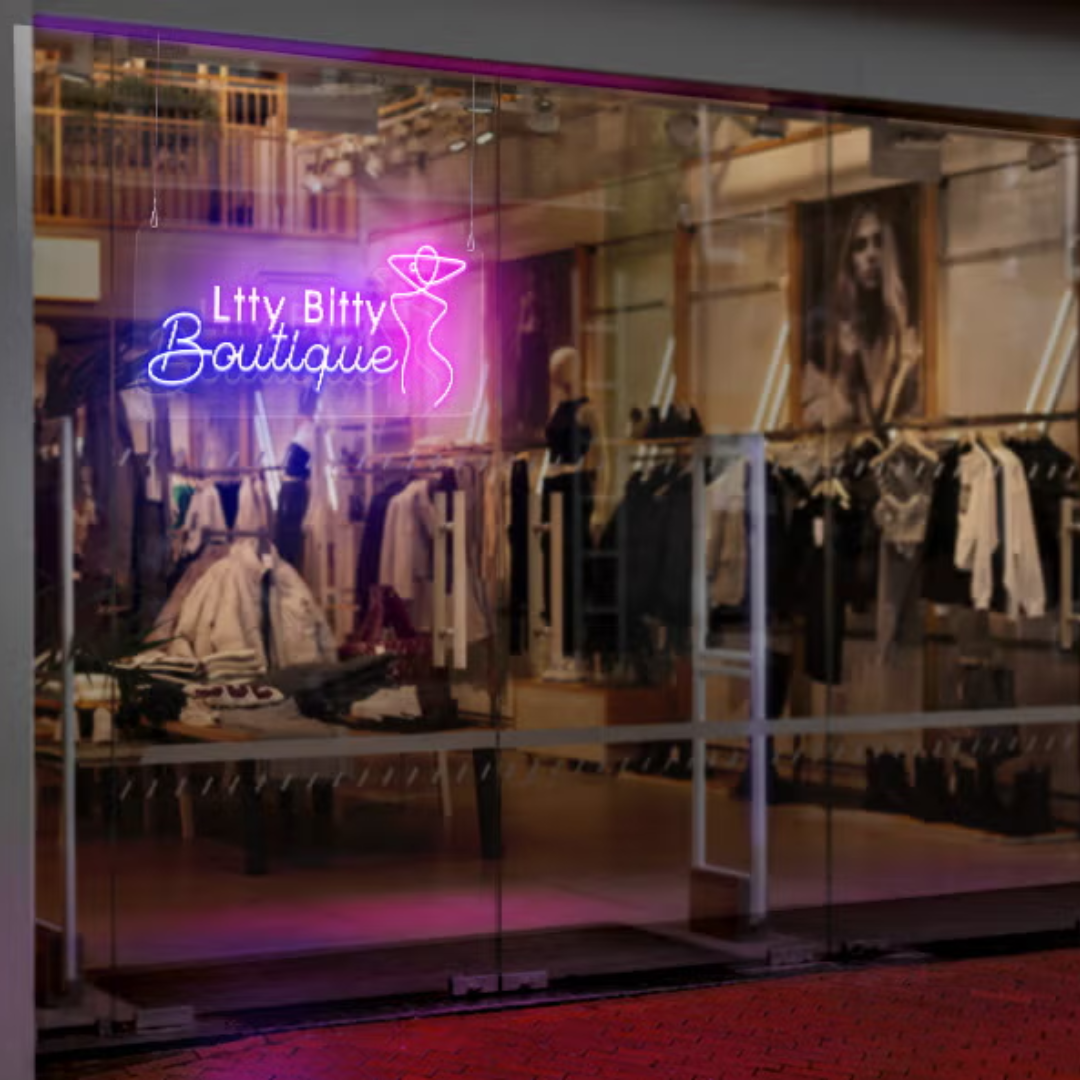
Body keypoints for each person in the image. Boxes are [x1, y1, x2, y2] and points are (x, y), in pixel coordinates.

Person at [802, 203, 922, 427]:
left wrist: (904, 365)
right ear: (849, 258)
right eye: (860, 246)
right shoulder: (825, 333)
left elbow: (917, 415)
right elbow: (821, 423)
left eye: (879, 242)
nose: (871, 255)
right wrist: (846, 369)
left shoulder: (907, 330)